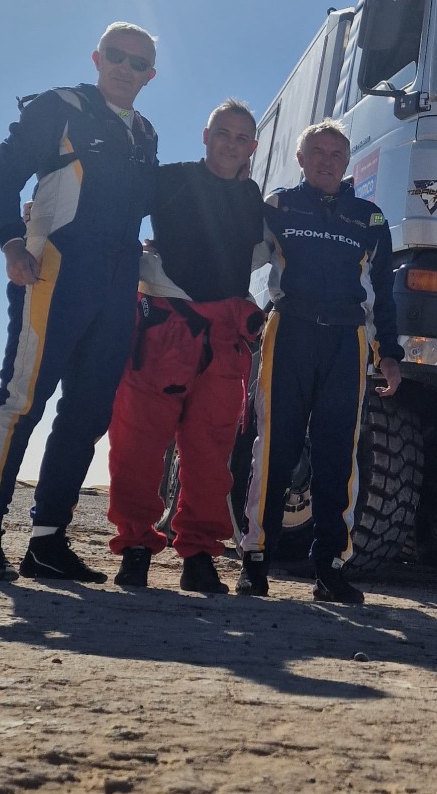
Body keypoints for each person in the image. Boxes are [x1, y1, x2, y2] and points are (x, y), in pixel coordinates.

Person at [0, 22, 158, 583]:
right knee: (22, 399)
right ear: (97, 57)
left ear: (151, 75)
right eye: (116, 56)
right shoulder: (59, 107)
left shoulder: (146, 133)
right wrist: (10, 240)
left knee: (88, 413)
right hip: (53, 275)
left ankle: (47, 542)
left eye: (138, 62)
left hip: (117, 289)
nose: (125, 67)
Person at [106, 99, 269, 596]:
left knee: (211, 453)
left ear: (253, 148)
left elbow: (269, 249)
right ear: (205, 134)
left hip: (225, 337)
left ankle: (198, 553)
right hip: (166, 327)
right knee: (139, 443)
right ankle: (135, 547)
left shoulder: (252, 198)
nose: (231, 145)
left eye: (242, 138)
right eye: (223, 133)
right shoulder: (169, 178)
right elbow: (112, 207)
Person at [238, 119, 402, 606]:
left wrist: (389, 355)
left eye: (336, 153)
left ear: (347, 162)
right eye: (318, 152)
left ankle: (330, 567)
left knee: (339, 455)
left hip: (344, 342)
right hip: (288, 332)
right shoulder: (279, 206)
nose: (327, 161)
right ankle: (255, 561)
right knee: (276, 450)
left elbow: (383, 296)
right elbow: (236, 257)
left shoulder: (370, 218)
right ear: (301, 159)